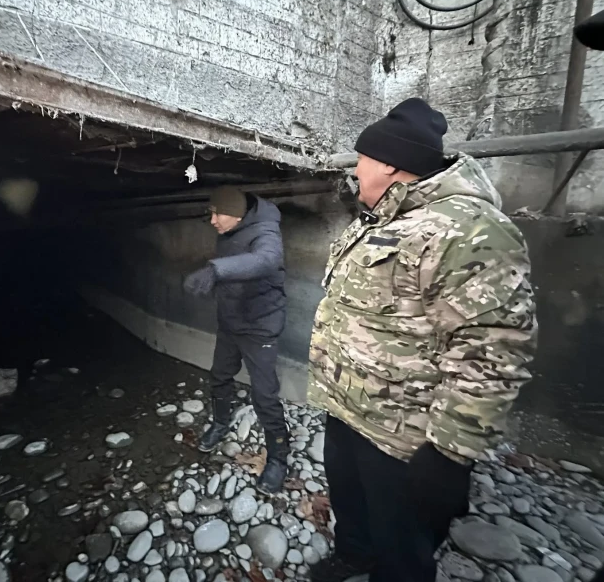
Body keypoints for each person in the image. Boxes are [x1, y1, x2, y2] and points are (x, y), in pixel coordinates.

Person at [307, 98, 538, 582]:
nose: (355, 171)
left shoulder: (469, 229)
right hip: (347, 410)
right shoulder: (380, 220)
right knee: (352, 503)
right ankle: (354, 554)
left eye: (361, 159)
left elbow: (492, 349)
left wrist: (451, 453)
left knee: (403, 544)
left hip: (402, 434)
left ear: (389, 164)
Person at [183, 186, 290, 494]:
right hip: (231, 322)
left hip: (259, 326)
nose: (212, 220)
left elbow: (266, 260)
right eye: (211, 213)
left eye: (218, 214)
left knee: (265, 395)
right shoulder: (228, 230)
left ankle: (278, 458)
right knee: (219, 375)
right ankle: (220, 423)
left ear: (238, 215)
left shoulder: (266, 231)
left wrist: (216, 270)